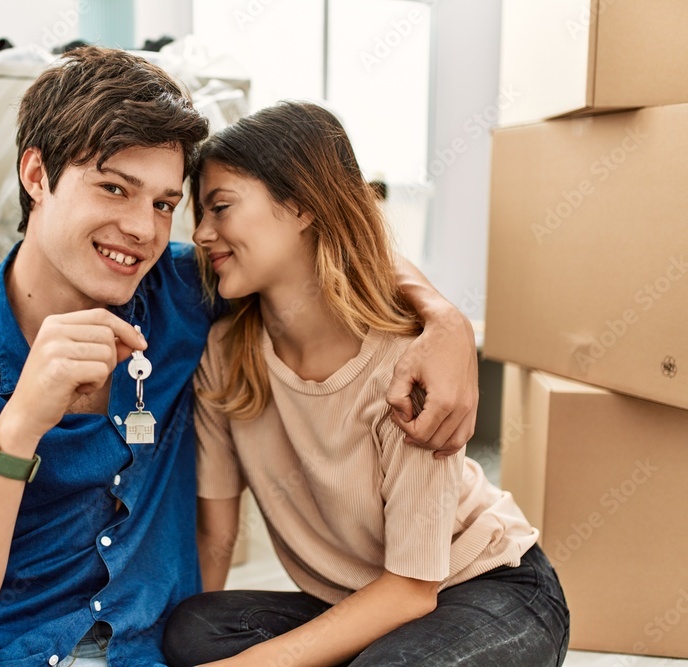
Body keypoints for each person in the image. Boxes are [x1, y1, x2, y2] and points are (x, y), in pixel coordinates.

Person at [0, 48, 479, 667]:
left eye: (162, 203)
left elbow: (319, 247)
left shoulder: (183, 293)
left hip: (155, 652)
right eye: (113, 188)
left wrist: (442, 319)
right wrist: (18, 426)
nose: (143, 229)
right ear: (36, 175)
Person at [162, 101, 570, 667]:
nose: (202, 234)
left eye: (221, 208)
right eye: (198, 216)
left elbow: (412, 588)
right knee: (192, 628)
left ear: (302, 204)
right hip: (365, 598)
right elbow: (215, 536)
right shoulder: (226, 355)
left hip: (487, 587)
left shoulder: (407, 363)